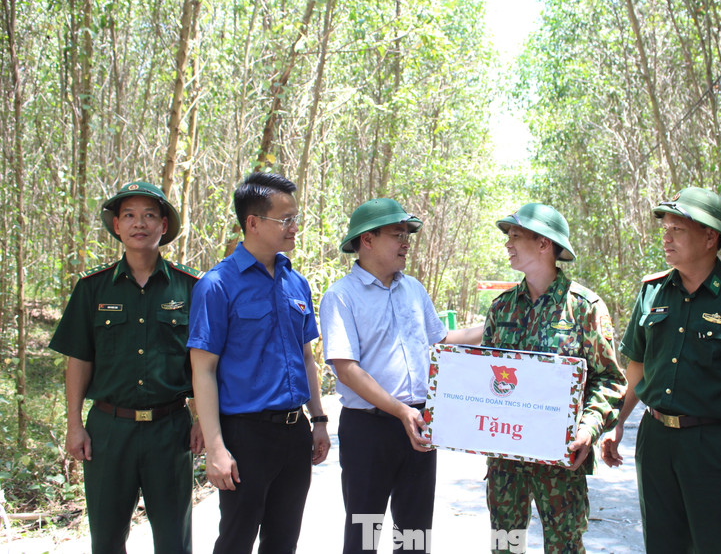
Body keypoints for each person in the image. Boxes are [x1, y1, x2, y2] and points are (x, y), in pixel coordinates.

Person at [600, 187, 721, 554]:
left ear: (710, 237)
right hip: (655, 439)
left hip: (712, 444)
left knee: (714, 545)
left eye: (678, 230)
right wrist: (617, 423)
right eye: (665, 228)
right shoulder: (652, 292)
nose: (666, 237)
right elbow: (637, 367)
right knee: (662, 544)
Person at [319, 198, 483, 554]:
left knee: (414, 535)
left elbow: (442, 340)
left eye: (407, 233)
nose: (406, 241)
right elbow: (346, 369)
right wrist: (399, 411)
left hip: (420, 422)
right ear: (367, 240)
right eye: (397, 234)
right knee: (364, 534)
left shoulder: (413, 289)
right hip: (369, 429)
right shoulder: (341, 296)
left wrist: (491, 325)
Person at [49, 181, 203, 554]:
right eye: (129, 216)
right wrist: (74, 425)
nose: (140, 224)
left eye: (150, 215)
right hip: (108, 431)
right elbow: (79, 360)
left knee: (173, 540)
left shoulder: (190, 288)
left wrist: (202, 421)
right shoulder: (92, 288)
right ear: (116, 226)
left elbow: (201, 364)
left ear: (163, 226)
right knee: (106, 539)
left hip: (170, 430)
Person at [187, 172, 330, 553]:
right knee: (236, 539)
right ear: (253, 222)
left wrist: (317, 420)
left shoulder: (295, 282)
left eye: (295, 218)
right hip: (245, 435)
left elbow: (305, 358)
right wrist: (216, 447)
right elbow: (203, 369)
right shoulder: (217, 285)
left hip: (294, 432)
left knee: (283, 541)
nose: (293, 228)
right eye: (285, 219)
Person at [480, 203, 627, 554]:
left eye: (516, 236)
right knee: (505, 547)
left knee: (564, 547)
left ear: (544, 244)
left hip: (561, 459)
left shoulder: (584, 308)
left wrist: (588, 429)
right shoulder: (502, 309)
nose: (508, 244)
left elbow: (609, 380)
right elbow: (481, 379)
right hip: (506, 460)